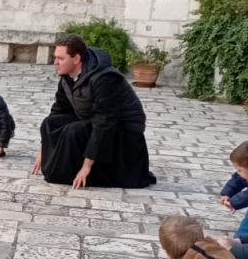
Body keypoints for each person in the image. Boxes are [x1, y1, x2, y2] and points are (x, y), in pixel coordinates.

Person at [32, 34, 156, 189]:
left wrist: (86, 167)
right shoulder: (66, 76)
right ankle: (59, 170)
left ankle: (78, 172)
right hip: (92, 119)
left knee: (74, 131)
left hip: (123, 131)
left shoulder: (105, 79)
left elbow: (104, 123)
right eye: (55, 57)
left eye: (60, 58)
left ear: (76, 59)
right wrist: (42, 151)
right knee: (50, 123)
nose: (55, 62)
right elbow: (58, 110)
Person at [220, 140, 248, 213]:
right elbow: (237, 180)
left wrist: (233, 202)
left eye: (239, 170)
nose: (238, 172)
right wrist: (227, 194)